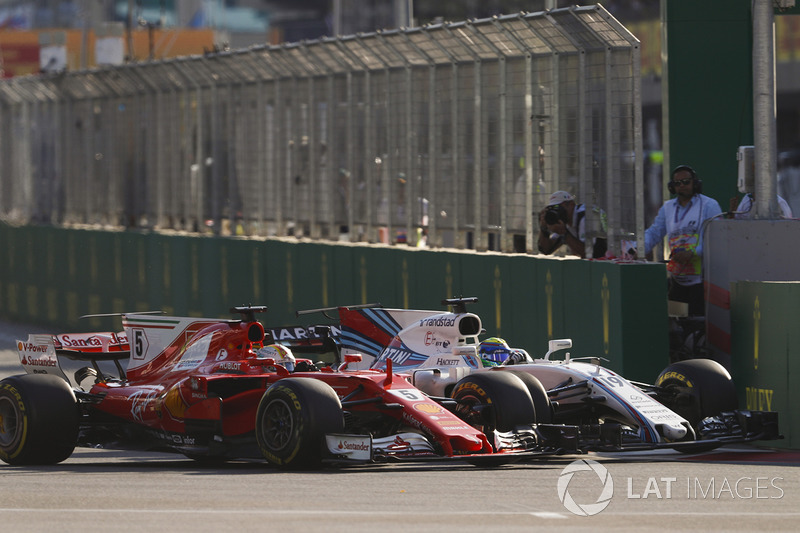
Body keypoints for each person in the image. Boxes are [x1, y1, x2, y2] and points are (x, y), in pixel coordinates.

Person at [644, 165, 722, 316]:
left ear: (695, 183)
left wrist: (695, 253)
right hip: (678, 279)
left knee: (697, 322)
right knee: (676, 321)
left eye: (686, 182)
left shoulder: (709, 205)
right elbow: (654, 232)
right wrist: (637, 248)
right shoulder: (667, 208)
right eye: (677, 183)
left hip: (702, 281)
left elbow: (717, 239)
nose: (682, 186)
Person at [537, 191, 608, 258]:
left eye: (558, 207)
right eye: (553, 209)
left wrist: (564, 233)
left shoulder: (586, 217)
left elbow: (589, 253)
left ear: (571, 204)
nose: (557, 211)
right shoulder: (564, 221)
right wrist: (543, 228)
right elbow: (546, 250)